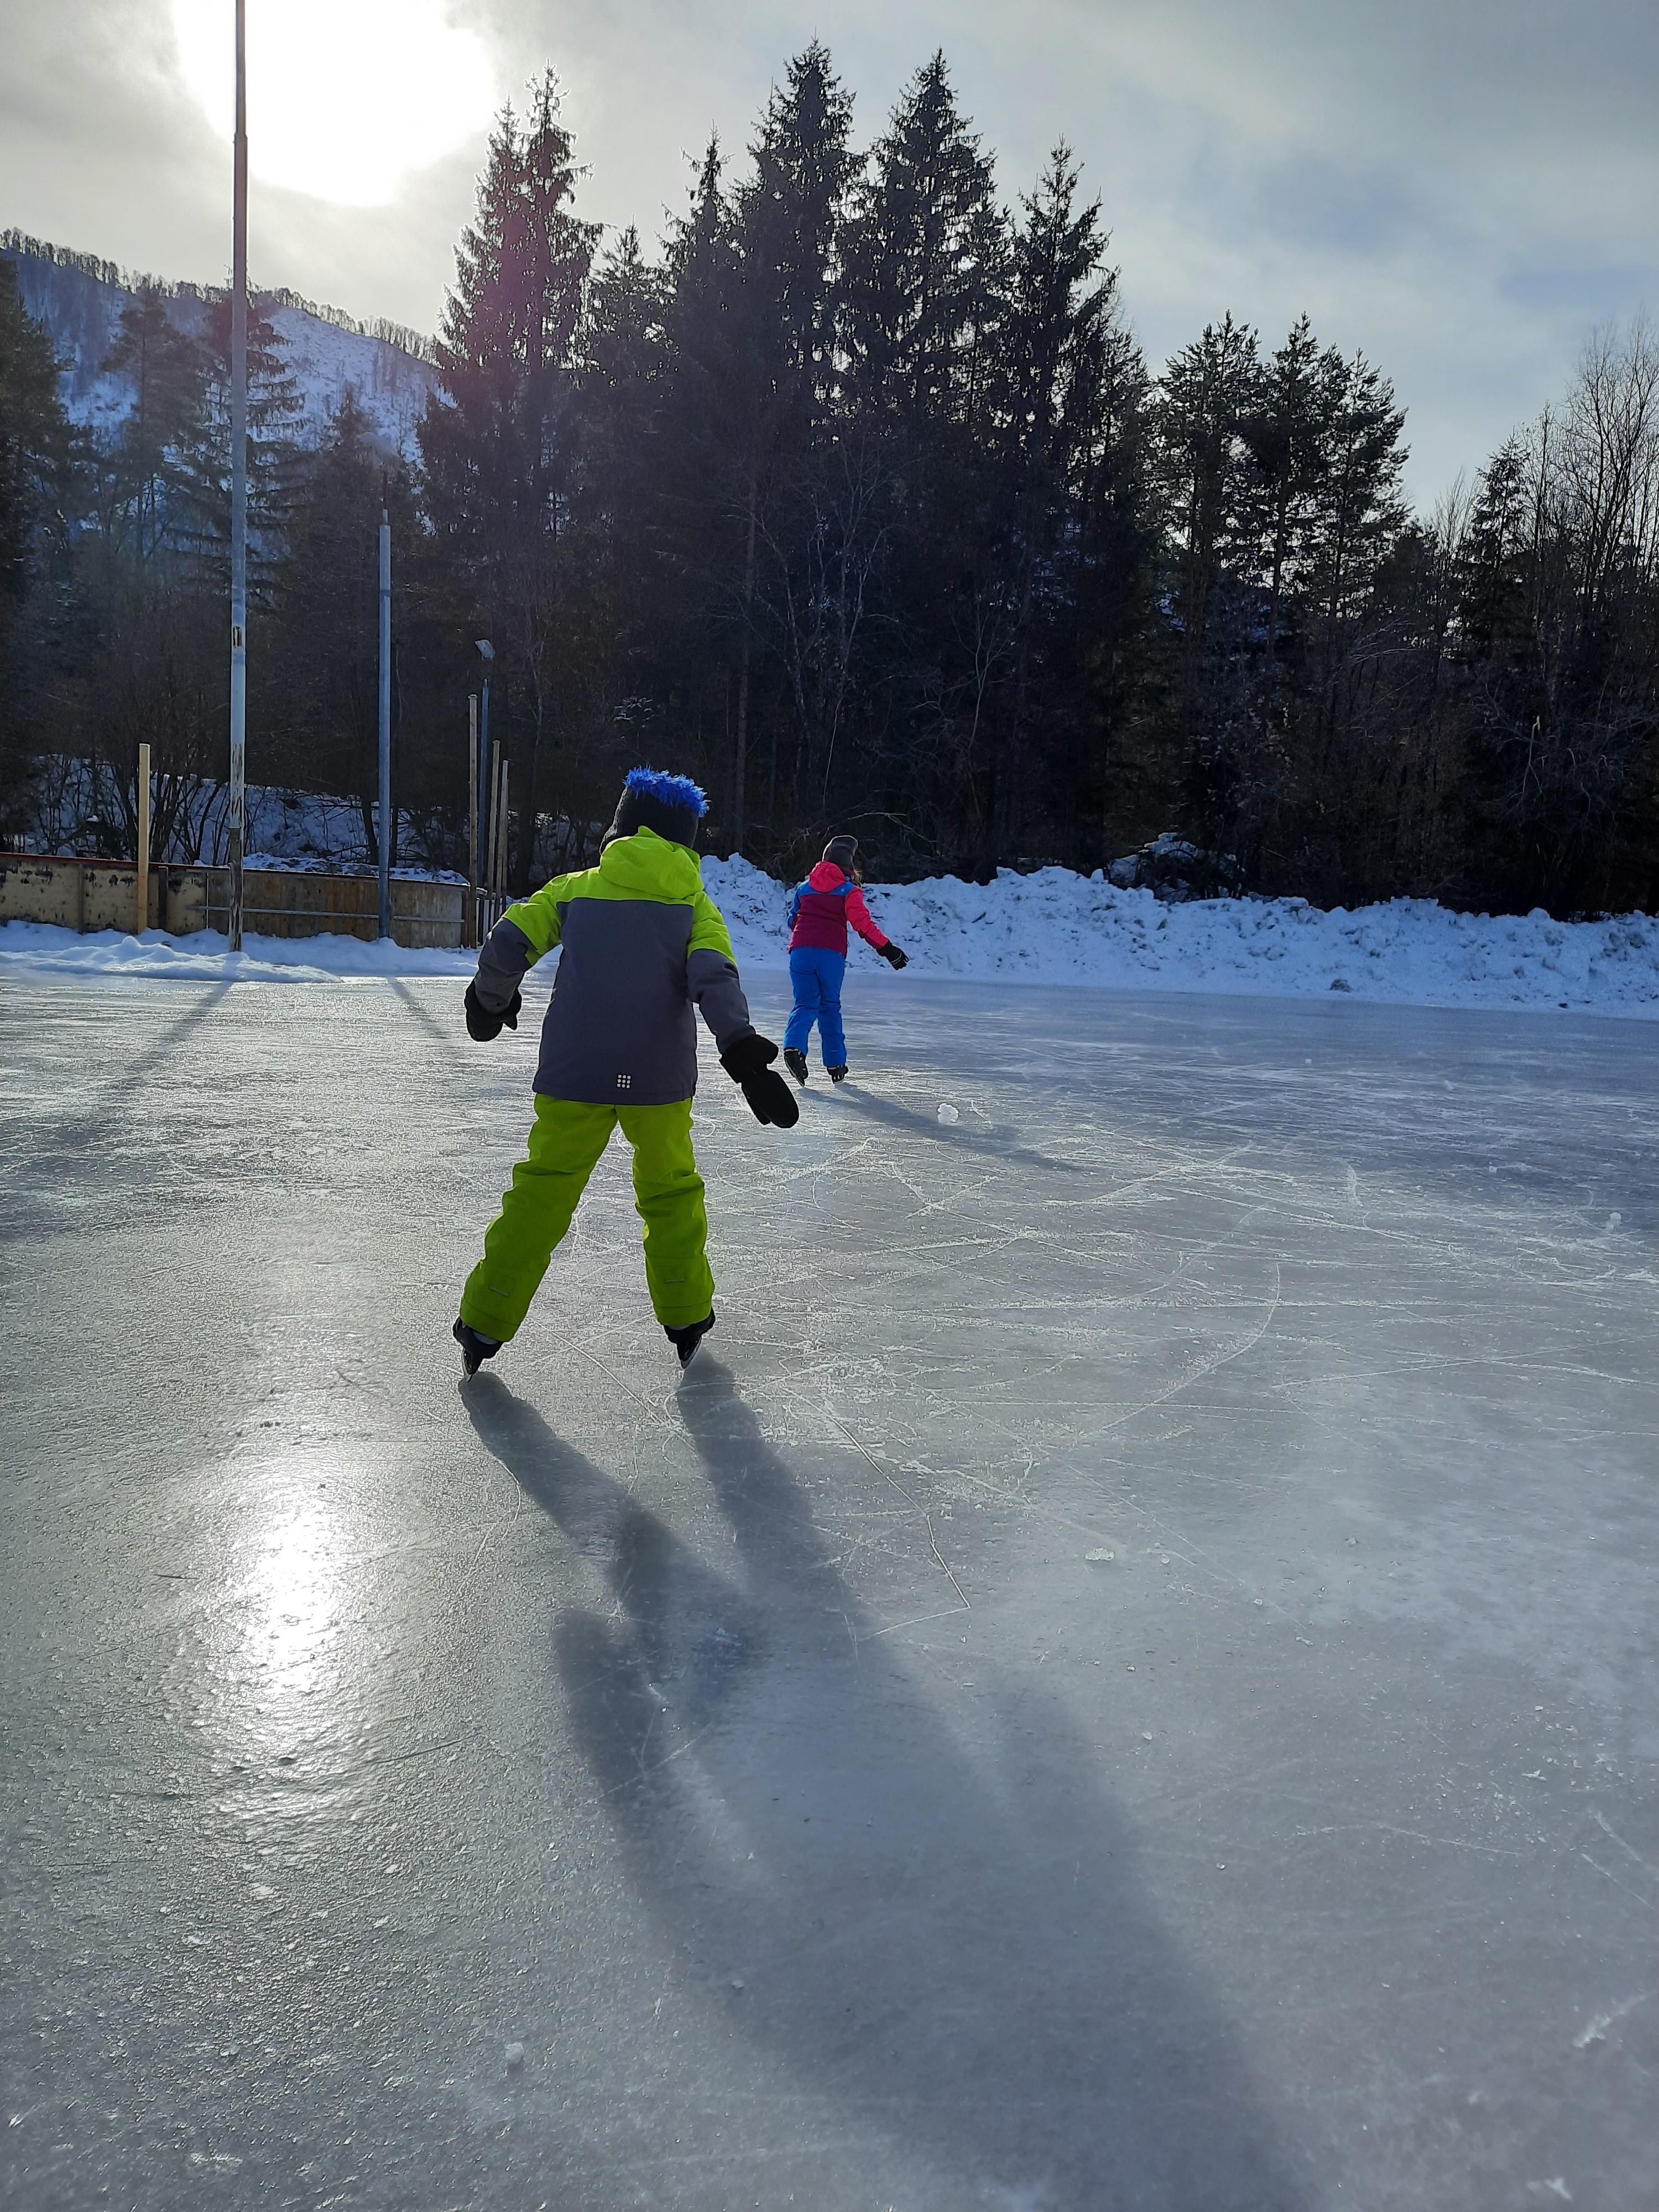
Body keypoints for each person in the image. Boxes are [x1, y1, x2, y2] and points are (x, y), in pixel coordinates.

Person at [452, 768, 798, 1378]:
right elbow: (715, 977)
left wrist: (489, 1001)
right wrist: (742, 1052)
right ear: (685, 842)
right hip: (658, 1081)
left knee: (541, 1193)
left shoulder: (575, 888)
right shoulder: (694, 905)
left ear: (621, 829)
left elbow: (508, 939)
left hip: (574, 1072)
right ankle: (687, 1317)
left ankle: (484, 1320)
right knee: (671, 1194)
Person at [782, 834, 908, 1084]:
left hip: (801, 952)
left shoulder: (804, 888)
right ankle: (836, 1064)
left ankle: (793, 1047)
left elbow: (793, 921)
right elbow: (862, 924)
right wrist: (887, 949)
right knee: (829, 1005)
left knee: (805, 1004)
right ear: (848, 865)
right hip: (830, 954)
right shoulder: (849, 891)